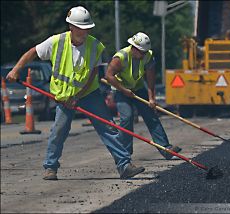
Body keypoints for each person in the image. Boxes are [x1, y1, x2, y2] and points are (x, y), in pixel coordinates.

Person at [6, 6, 145, 180]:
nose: (85, 31)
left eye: (88, 28)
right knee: (59, 129)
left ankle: (124, 165)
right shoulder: (56, 41)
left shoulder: (96, 46)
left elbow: (92, 75)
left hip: (89, 93)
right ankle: (51, 167)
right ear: (71, 27)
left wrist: (77, 97)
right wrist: (16, 70)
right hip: (64, 96)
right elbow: (33, 52)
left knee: (107, 127)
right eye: (82, 28)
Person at [105, 32, 182, 159]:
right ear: (134, 48)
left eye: (145, 52)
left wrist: (151, 98)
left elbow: (150, 78)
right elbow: (109, 76)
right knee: (127, 118)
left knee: (151, 115)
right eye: (141, 52)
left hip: (138, 87)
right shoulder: (120, 57)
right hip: (120, 89)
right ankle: (124, 154)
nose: (143, 55)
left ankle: (165, 148)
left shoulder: (148, 56)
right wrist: (123, 90)